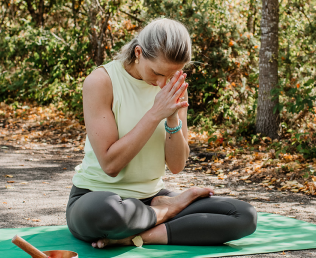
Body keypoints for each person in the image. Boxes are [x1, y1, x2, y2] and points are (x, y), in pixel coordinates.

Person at [66, 18, 257, 248]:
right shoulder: (101, 81)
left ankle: (136, 236)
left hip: (151, 197)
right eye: (157, 73)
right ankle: (166, 211)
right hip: (97, 197)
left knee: (244, 215)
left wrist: (172, 115)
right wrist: (156, 113)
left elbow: (176, 165)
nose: (162, 83)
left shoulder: (176, 88)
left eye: (172, 74)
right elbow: (110, 165)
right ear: (138, 53)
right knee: (106, 213)